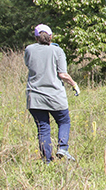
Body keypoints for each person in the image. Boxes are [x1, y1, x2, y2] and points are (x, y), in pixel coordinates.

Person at [24, 24, 80, 163]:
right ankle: (62, 147)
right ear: (51, 36)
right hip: (55, 96)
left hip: (35, 97)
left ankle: (47, 161)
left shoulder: (29, 49)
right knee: (64, 121)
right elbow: (62, 74)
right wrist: (74, 84)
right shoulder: (57, 51)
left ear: (36, 37)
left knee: (43, 128)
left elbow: (28, 64)